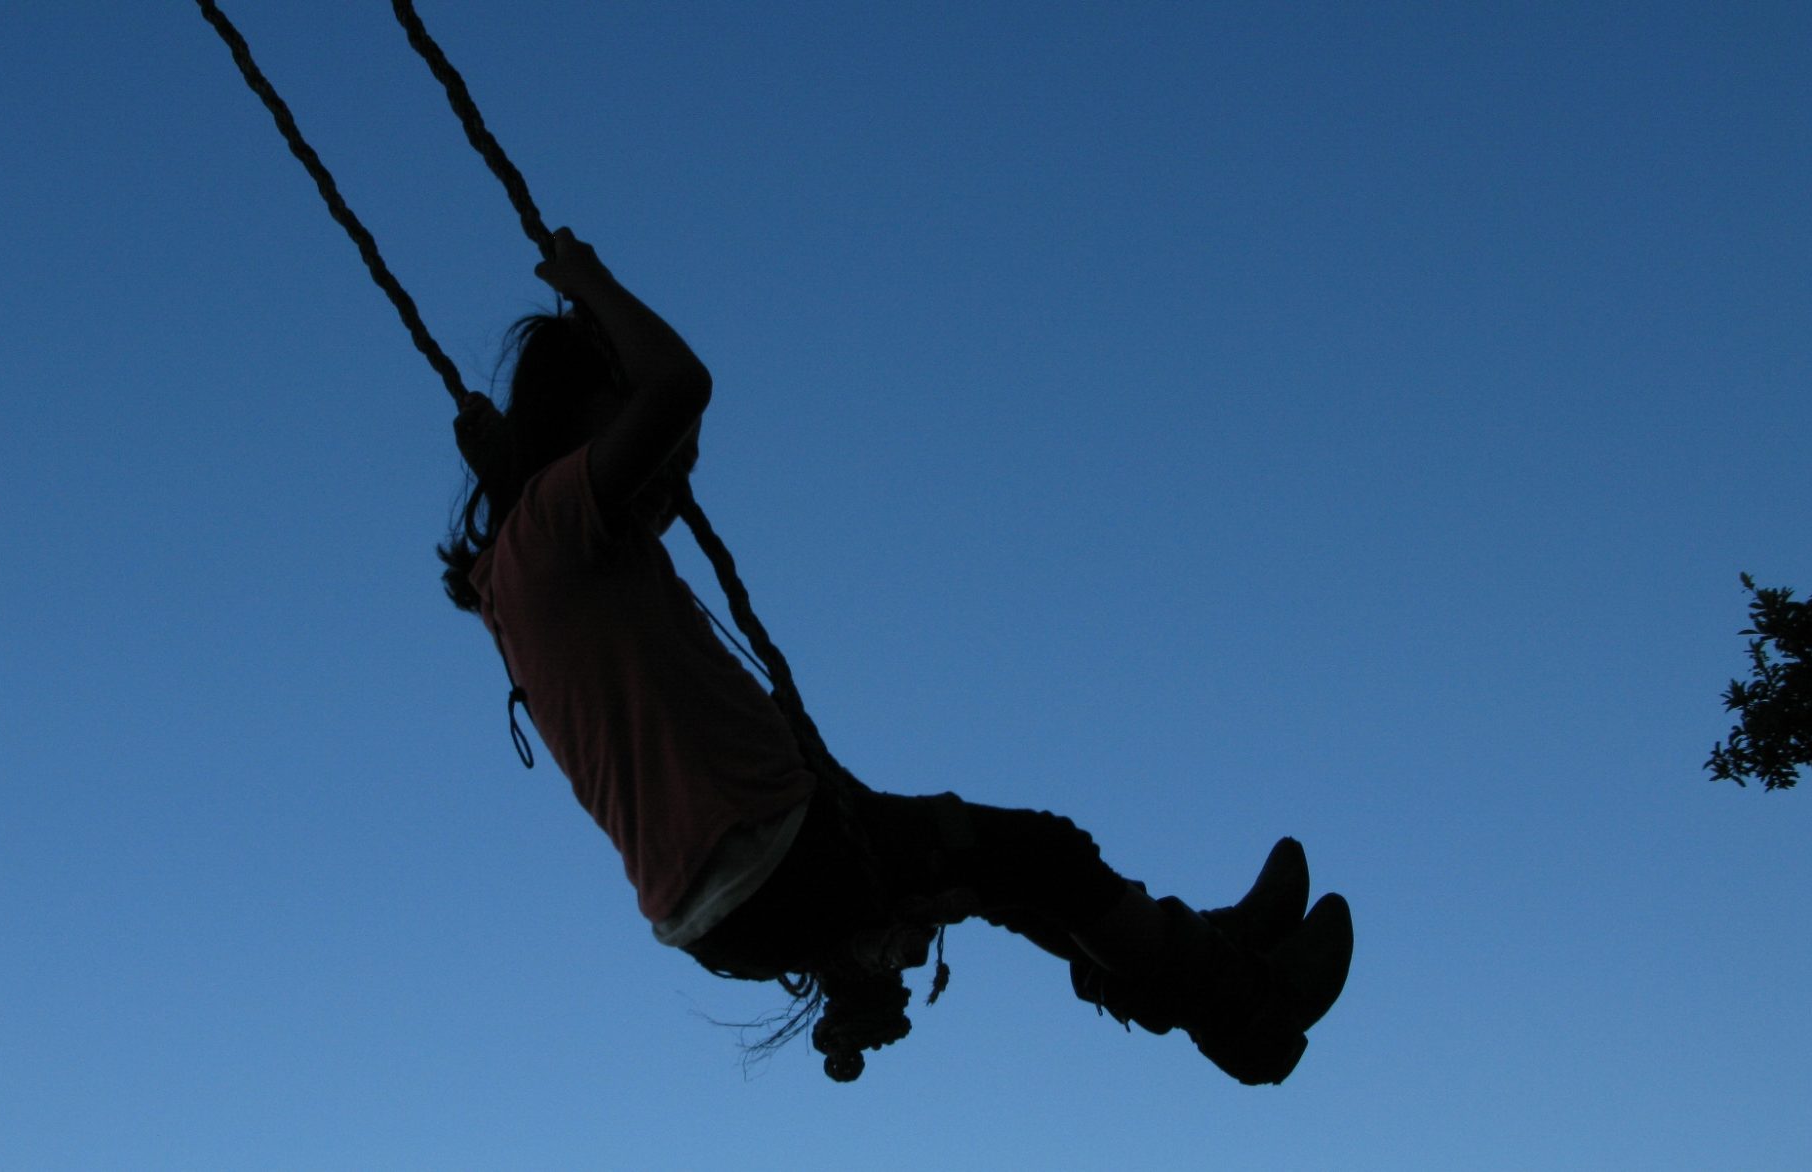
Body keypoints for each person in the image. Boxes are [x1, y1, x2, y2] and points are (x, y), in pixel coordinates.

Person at [439, 228, 1353, 1083]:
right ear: (580, 417)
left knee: (1017, 877)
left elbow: (671, 439)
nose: (662, 459)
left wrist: (513, 453)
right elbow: (679, 387)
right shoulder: (556, 525)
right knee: (1042, 857)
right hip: (776, 861)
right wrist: (589, 283)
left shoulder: (530, 573)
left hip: (731, 897)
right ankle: (1241, 1010)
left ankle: (1209, 956)